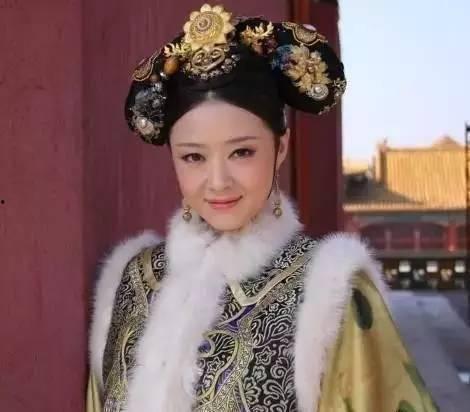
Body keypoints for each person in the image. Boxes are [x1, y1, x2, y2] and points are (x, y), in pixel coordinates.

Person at [86, 4, 438, 412]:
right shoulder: (133, 282)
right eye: (193, 157)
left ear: (280, 147)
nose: (218, 181)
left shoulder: (329, 294)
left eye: (242, 152)